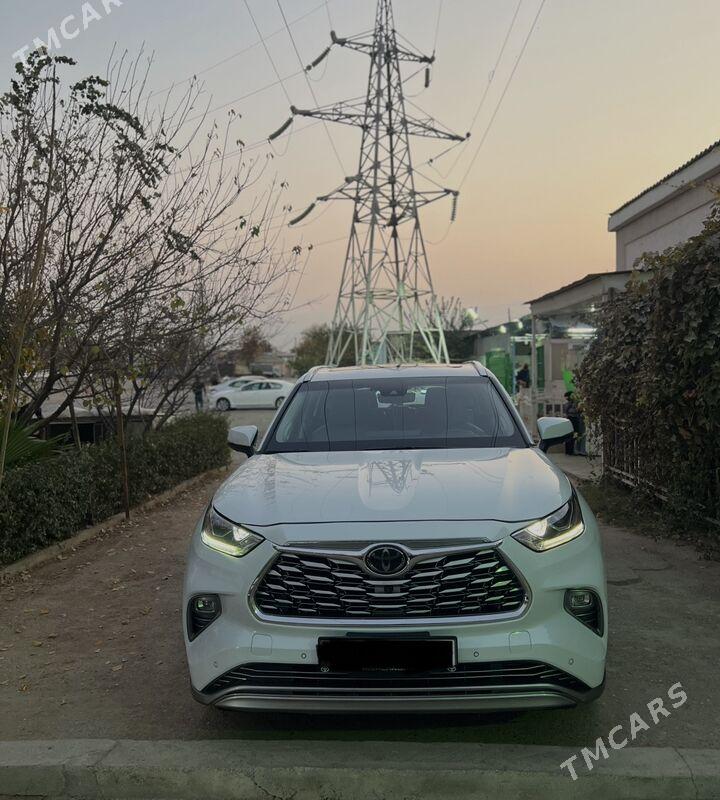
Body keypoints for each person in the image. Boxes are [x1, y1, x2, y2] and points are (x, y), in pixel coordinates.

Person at [563, 391, 586, 456]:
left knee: (574, 435)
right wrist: (576, 409)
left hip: (574, 420)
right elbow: (569, 411)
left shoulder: (575, 403)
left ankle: (571, 451)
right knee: (571, 435)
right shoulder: (569, 404)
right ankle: (569, 451)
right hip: (571, 419)